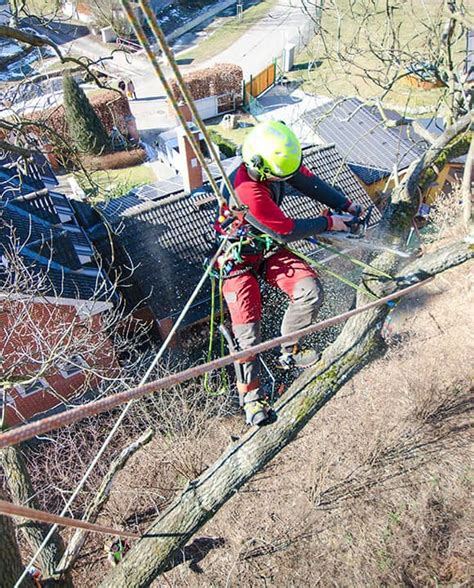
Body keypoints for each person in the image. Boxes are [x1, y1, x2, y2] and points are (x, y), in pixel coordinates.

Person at [215, 121, 363, 426]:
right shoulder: (247, 191)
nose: (287, 178)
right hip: (239, 259)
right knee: (248, 338)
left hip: (266, 248)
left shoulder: (275, 159)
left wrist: (345, 204)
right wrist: (330, 223)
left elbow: (307, 181)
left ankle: (290, 351)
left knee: (309, 290)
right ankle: (251, 400)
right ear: (260, 167)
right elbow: (286, 231)